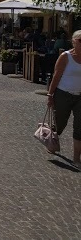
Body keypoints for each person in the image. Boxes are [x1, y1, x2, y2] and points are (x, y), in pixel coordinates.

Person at [46, 30, 81, 169]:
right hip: (63, 94)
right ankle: (52, 141)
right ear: (73, 41)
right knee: (59, 124)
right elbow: (56, 76)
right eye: (80, 41)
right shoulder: (65, 56)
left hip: (80, 96)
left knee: (79, 127)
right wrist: (50, 95)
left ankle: (76, 159)